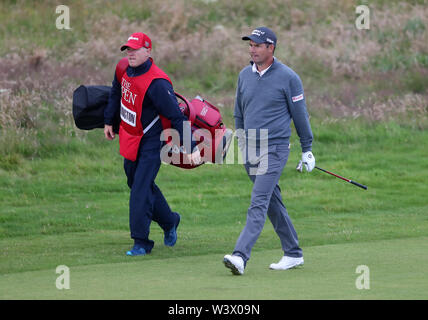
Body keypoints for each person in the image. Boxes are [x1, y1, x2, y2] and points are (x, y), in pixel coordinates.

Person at [223, 27, 315, 275]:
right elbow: (238, 112)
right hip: (250, 148)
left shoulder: (288, 77)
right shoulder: (244, 75)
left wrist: (307, 149)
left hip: (274, 149)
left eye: (257, 45)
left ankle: (240, 256)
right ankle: (293, 252)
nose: (252, 49)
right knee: (272, 201)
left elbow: (300, 115)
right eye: (250, 45)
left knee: (259, 200)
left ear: (270, 48)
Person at [104, 32, 201, 256]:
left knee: (139, 188)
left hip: (153, 142)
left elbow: (177, 117)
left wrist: (192, 148)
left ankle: (141, 242)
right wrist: (109, 120)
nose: (131, 53)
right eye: (128, 49)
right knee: (135, 182)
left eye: (136, 49)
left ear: (148, 51)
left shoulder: (157, 83)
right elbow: (115, 91)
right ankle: (170, 221)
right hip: (130, 136)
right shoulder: (122, 68)